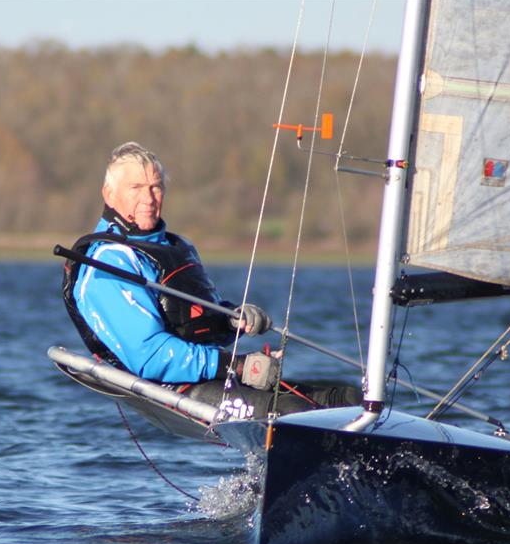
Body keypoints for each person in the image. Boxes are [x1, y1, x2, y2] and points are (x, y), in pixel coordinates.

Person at [63, 141, 360, 418]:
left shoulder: (174, 248)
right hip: (172, 387)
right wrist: (238, 366)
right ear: (109, 194)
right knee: (295, 412)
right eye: (136, 187)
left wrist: (232, 320)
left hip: (210, 373)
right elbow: (150, 356)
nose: (148, 198)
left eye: (156, 187)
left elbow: (200, 322)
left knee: (345, 399)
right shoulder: (108, 262)